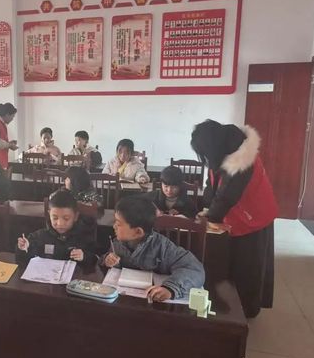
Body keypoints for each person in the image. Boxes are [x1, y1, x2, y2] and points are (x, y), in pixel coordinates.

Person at [191, 120, 278, 318]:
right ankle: (227, 304)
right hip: (234, 214)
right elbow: (212, 183)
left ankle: (247, 309)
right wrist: (206, 208)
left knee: (247, 265)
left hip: (253, 216)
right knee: (230, 260)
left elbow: (227, 196)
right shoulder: (223, 149)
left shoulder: (242, 158)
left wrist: (209, 217)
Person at [101, 197, 204, 301]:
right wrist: (107, 259)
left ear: (138, 232)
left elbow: (194, 269)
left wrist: (170, 288)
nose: (114, 226)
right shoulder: (118, 242)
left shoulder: (162, 247)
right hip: (124, 298)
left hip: (154, 302)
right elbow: (107, 259)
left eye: (118, 224)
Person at [16, 189, 98, 266]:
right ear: (49, 214)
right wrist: (23, 249)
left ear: (75, 216)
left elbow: (94, 261)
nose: (60, 224)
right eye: (55, 218)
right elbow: (22, 262)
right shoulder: (40, 236)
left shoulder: (84, 237)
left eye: (66, 218)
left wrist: (84, 257)